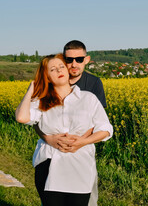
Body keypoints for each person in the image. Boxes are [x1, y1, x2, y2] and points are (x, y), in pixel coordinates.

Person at [15, 54, 113, 206]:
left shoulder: (88, 98)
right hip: (49, 163)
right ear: (46, 76)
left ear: (68, 71)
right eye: (52, 69)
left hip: (80, 164)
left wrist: (82, 142)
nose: (59, 70)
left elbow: (106, 129)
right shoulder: (41, 100)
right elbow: (22, 117)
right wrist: (31, 90)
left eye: (61, 66)